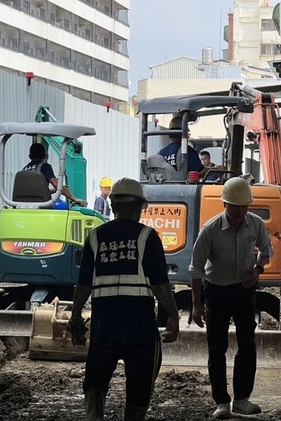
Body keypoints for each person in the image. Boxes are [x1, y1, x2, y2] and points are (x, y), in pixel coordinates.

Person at [69, 177, 180, 421]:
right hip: (139, 329)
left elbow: (83, 284)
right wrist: (173, 316)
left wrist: (75, 316)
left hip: (104, 327)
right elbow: (160, 286)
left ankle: (93, 417)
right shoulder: (147, 237)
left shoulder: (95, 238)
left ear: (112, 205)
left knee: (96, 380)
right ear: (141, 205)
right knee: (140, 383)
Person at [189, 177, 272, 419]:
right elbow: (195, 269)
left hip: (244, 291)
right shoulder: (211, 229)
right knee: (217, 347)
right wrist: (196, 305)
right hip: (217, 291)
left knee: (247, 343)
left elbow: (267, 250)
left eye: (244, 207)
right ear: (225, 204)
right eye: (235, 207)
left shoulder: (255, 224)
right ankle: (222, 402)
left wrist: (257, 271)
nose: (240, 212)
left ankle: (242, 399)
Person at [23, 142, 87, 206]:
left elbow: (34, 193)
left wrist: (56, 190)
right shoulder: (45, 167)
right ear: (45, 156)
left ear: (30, 156)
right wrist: (75, 199)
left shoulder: (24, 170)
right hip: (40, 205)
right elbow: (56, 184)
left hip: (24, 204)